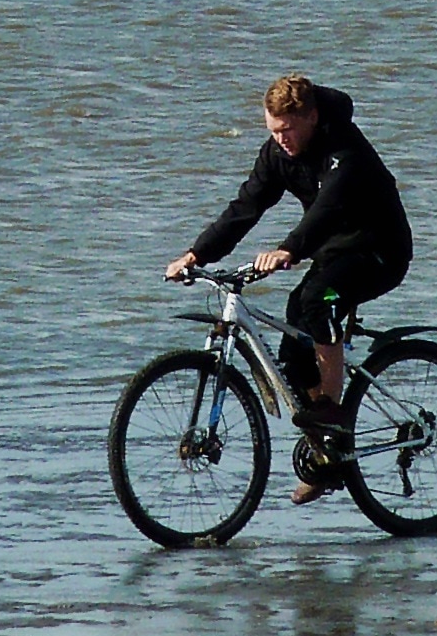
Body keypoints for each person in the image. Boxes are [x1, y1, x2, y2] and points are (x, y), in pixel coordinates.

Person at [165, 76, 413, 502]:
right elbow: (246, 207)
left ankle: (333, 414)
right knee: (293, 352)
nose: (281, 140)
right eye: (273, 131)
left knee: (317, 301)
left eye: (287, 130)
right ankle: (327, 460)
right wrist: (195, 255)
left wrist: (288, 249)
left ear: (312, 118)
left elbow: (327, 208)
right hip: (333, 252)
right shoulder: (278, 155)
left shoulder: (344, 151)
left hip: (379, 249)